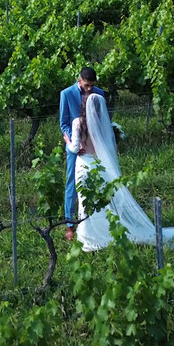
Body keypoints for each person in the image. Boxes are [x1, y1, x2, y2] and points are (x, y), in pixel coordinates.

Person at [64, 93, 158, 251]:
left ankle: (87, 236)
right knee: (99, 200)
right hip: (98, 166)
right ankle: (103, 230)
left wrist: (67, 140)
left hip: (83, 165)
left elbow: (74, 148)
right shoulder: (103, 125)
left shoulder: (77, 122)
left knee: (84, 199)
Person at [59, 67, 105, 241]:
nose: (89, 89)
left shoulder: (99, 94)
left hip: (93, 147)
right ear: (79, 80)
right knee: (72, 182)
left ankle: (95, 220)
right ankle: (70, 223)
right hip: (75, 147)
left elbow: (102, 121)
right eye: (87, 85)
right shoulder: (66, 94)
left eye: (92, 86)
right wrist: (75, 143)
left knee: (96, 180)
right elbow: (63, 123)